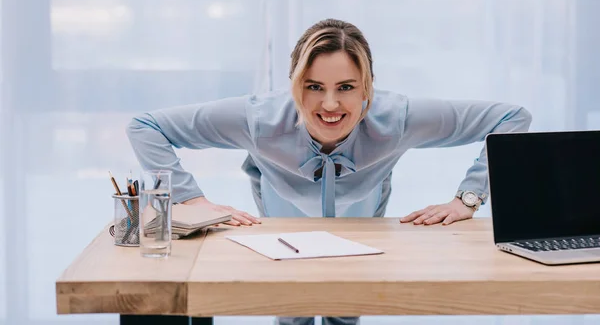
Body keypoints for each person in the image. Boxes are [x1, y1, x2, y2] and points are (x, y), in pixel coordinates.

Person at [126, 18, 532, 325]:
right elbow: (146, 126)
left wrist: (469, 197)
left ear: (368, 86)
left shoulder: (399, 118)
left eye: (347, 87)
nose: (331, 105)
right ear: (294, 84)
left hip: (360, 241)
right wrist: (194, 201)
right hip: (279, 240)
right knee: (292, 314)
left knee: (343, 312)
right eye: (314, 86)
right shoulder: (258, 119)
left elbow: (512, 117)